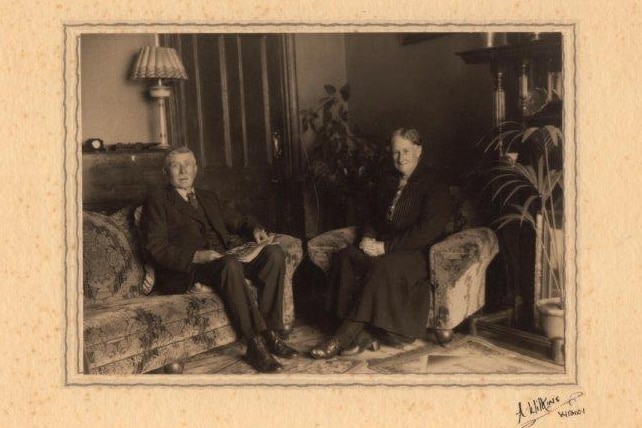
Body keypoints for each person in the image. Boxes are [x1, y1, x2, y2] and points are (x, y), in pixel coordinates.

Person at [140, 147, 298, 373]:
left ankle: (271, 334)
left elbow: (238, 220)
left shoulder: (207, 197)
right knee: (229, 264)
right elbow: (154, 247)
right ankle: (254, 344)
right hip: (189, 268)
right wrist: (196, 256)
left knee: (274, 254)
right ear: (166, 172)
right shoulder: (157, 201)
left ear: (196, 168)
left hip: (222, 261)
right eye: (176, 165)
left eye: (188, 164)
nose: (183, 170)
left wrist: (255, 229)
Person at [310, 128, 453, 359]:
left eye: (406, 151)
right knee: (346, 256)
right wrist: (368, 236)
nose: (400, 158)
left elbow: (428, 229)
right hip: (384, 246)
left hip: (414, 253)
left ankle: (341, 338)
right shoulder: (388, 181)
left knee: (382, 267)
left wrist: (385, 248)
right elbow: (372, 216)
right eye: (396, 152)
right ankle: (362, 334)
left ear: (419, 150)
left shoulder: (434, 183)